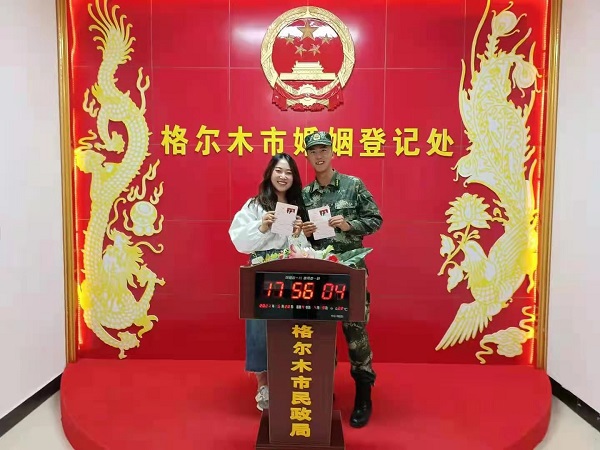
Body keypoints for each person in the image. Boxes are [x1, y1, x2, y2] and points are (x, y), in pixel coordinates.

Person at [301, 131, 383, 428]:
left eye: (323, 149)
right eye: (313, 151)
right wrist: (305, 232)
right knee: (321, 336)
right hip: (320, 275)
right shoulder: (306, 195)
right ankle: (325, 390)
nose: (319, 155)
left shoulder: (353, 185)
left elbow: (375, 219)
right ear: (308, 156)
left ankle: (363, 395)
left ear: (332, 152)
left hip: (351, 273)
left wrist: (350, 224)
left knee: (355, 334)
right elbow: (300, 238)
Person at [228, 153, 309, 411]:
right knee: (259, 328)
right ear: (270, 174)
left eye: (289, 172)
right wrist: (262, 227)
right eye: (279, 171)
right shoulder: (255, 206)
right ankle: (263, 385)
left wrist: (298, 233)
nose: (283, 176)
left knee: (290, 327)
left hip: (291, 272)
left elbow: (306, 249)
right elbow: (239, 240)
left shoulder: (298, 206)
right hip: (262, 272)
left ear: (294, 178)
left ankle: (288, 379)